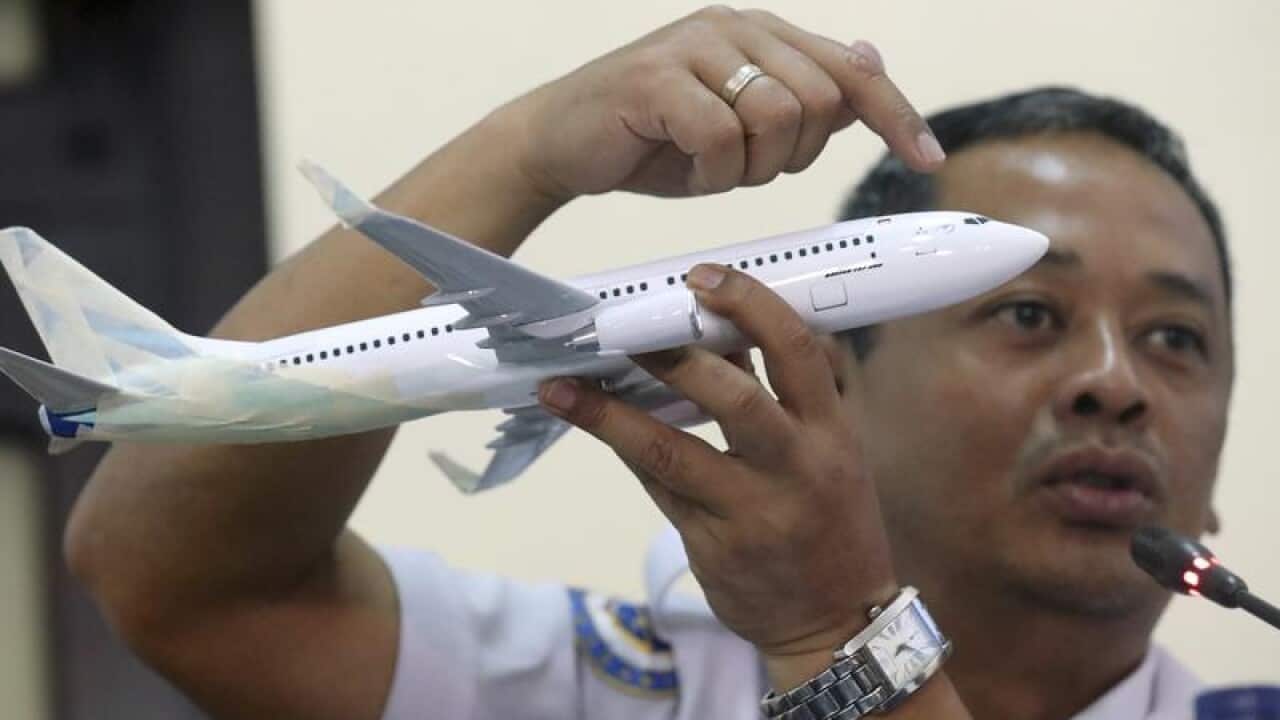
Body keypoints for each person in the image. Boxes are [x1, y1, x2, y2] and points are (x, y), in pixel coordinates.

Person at [64, 7, 1230, 720]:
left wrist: (833, 642)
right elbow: (175, 581)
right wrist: (526, 151)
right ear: (833, 375)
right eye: (1027, 315)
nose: (1113, 383)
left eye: (1176, 338)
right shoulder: (597, 687)